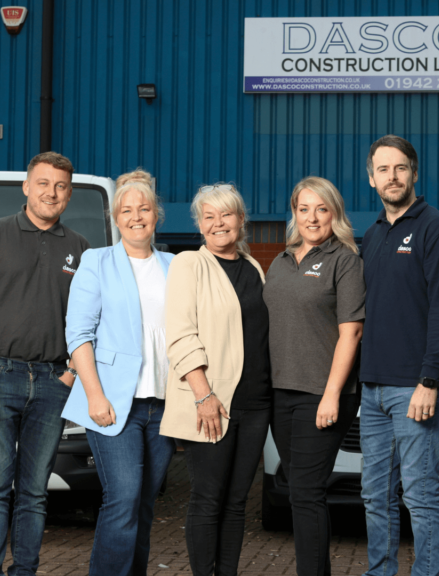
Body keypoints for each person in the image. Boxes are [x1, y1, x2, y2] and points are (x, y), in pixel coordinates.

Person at [0, 151, 90, 576]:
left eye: (61, 186)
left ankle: (24, 570)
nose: (52, 192)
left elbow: (91, 318)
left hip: (53, 381)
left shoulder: (81, 249)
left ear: (69, 195)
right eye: (44, 183)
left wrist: (69, 374)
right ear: (26, 186)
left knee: (34, 492)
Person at [359, 135, 439, 576]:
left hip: (416, 388)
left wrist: (429, 380)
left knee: (420, 495)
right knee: (374, 495)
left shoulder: (437, 229)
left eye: (400, 168)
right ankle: (380, 571)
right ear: (371, 179)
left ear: (415, 174)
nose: (392, 176)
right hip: (373, 390)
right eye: (383, 169)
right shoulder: (372, 235)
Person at [62, 170, 175, 576]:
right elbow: (78, 334)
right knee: (123, 496)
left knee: (144, 502)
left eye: (143, 208)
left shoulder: (175, 265)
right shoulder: (97, 261)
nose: (136, 216)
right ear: (115, 217)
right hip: (112, 402)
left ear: (156, 215)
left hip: (162, 407)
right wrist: (94, 395)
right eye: (126, 210)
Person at [160, 184, 271, 576]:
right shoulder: (188, 264)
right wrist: (203, 395)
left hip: (255, 404)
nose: (218, 223)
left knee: (237, 501)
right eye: (209, 216)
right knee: (208, 499)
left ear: (241, 220)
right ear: (199, 225)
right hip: (211, 403)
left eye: (226, 214)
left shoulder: (254, 267)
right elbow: (180, 333)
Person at [263, 176, 365, 576]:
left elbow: (351, 332)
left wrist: (332, 394)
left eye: (321, 208)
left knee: (305, 492)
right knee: (299, 492)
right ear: (294, 213)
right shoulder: (280, 260)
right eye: (304, 209)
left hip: (320, 395)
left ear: (335, 213)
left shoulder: (346, 261)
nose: (312, 217)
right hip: (279, 394)